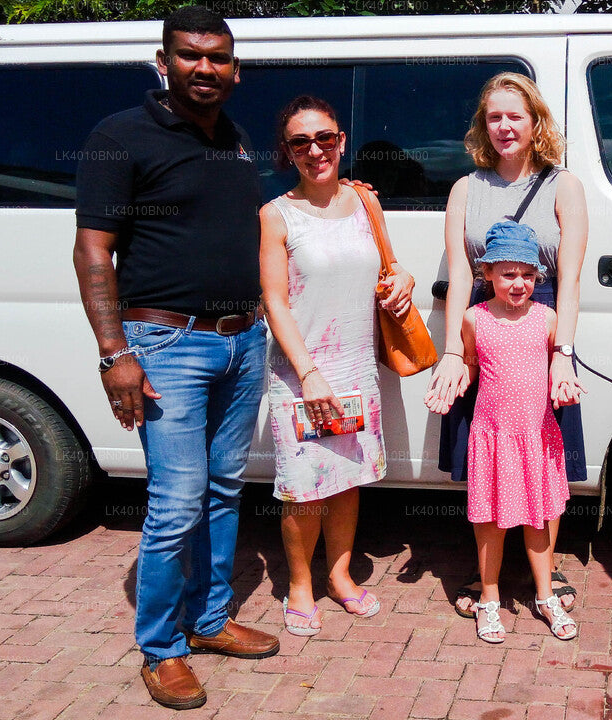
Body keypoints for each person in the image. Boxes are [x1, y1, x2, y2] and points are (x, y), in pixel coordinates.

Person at [72, 7, 277, 710]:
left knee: (223, 490)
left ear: (234, 68)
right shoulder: (119, 137)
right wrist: (113, 354)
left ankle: (210, 618)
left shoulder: (240, 141)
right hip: (167, 345)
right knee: (175, 503)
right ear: (164, 61)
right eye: (190, 56)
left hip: (243, 341)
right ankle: (162, 648)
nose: (205, 69)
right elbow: (94, 249)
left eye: (218, 58)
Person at [423, 72, 588, 618]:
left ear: (535, 119)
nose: (504, 126)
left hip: (543, 347)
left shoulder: (564, 185)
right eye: (494, 116)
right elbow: (460, 276)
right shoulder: (465, 189)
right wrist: (452, 353)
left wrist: (561, 353)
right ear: (482, 124)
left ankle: (544, 572)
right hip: (484, 344)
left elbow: (568, 279)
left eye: (515, 115)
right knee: (488, 462)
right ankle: (490, 578)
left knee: (545, 461)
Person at [259, 96, 415, 635]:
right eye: (300, 142)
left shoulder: (365, 203)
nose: (315, 150)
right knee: (304, 486)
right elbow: (274, 301)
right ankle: (300, 585)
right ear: (287, 152)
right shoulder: (276, 215)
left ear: (342, 141)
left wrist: (404, 282)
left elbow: (389, 268)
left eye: (325, 138)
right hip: (302, 375)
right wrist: (307, 373)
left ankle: (340, 576)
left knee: (346, 480)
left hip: (353, 370)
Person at [432, 221, 578, 644]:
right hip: (493, 437)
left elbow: (557, 363)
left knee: (538, 518)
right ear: (488, 274)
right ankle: (490, 598)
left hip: (536, 436)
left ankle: (545, 594)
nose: (518, 284)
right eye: (509, 274)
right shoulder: (473, 319)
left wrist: (562, 380)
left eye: (528, 275)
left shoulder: (548, 318)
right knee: (491, 522)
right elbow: (473, 363)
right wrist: (461, 376)